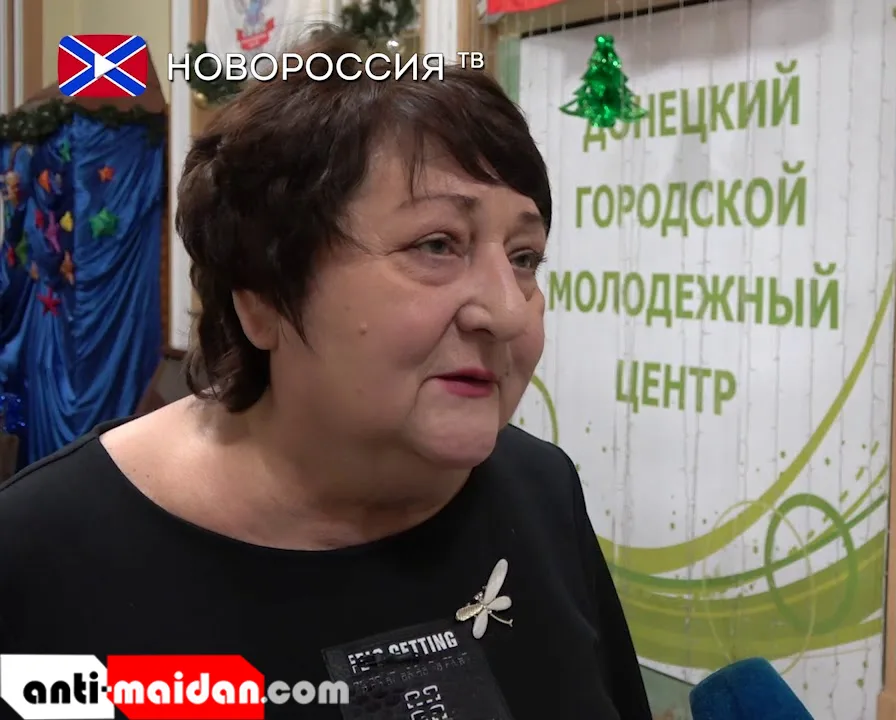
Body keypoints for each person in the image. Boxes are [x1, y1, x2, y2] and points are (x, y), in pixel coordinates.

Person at [0, 28, 653, 720]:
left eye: (524, 257)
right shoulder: (44, 552)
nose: (509, 312)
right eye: (437, 245)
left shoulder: (541, 490)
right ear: (261, 296)